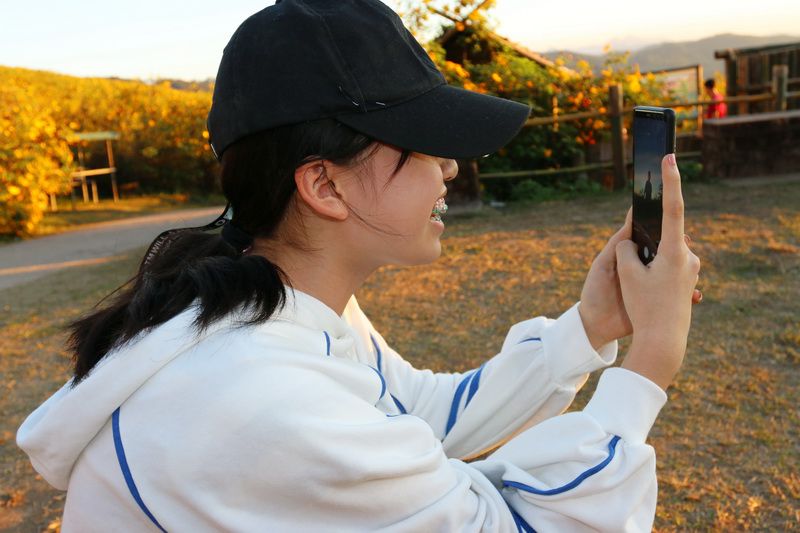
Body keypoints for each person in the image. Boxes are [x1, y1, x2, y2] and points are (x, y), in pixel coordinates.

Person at [17, 1, 702, 531]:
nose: (449, 166)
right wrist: (649, 364)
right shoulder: (256, 393)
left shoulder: (273, 305)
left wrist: (590, 325)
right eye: (423, 144)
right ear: (325, 185)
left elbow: (421, 414)